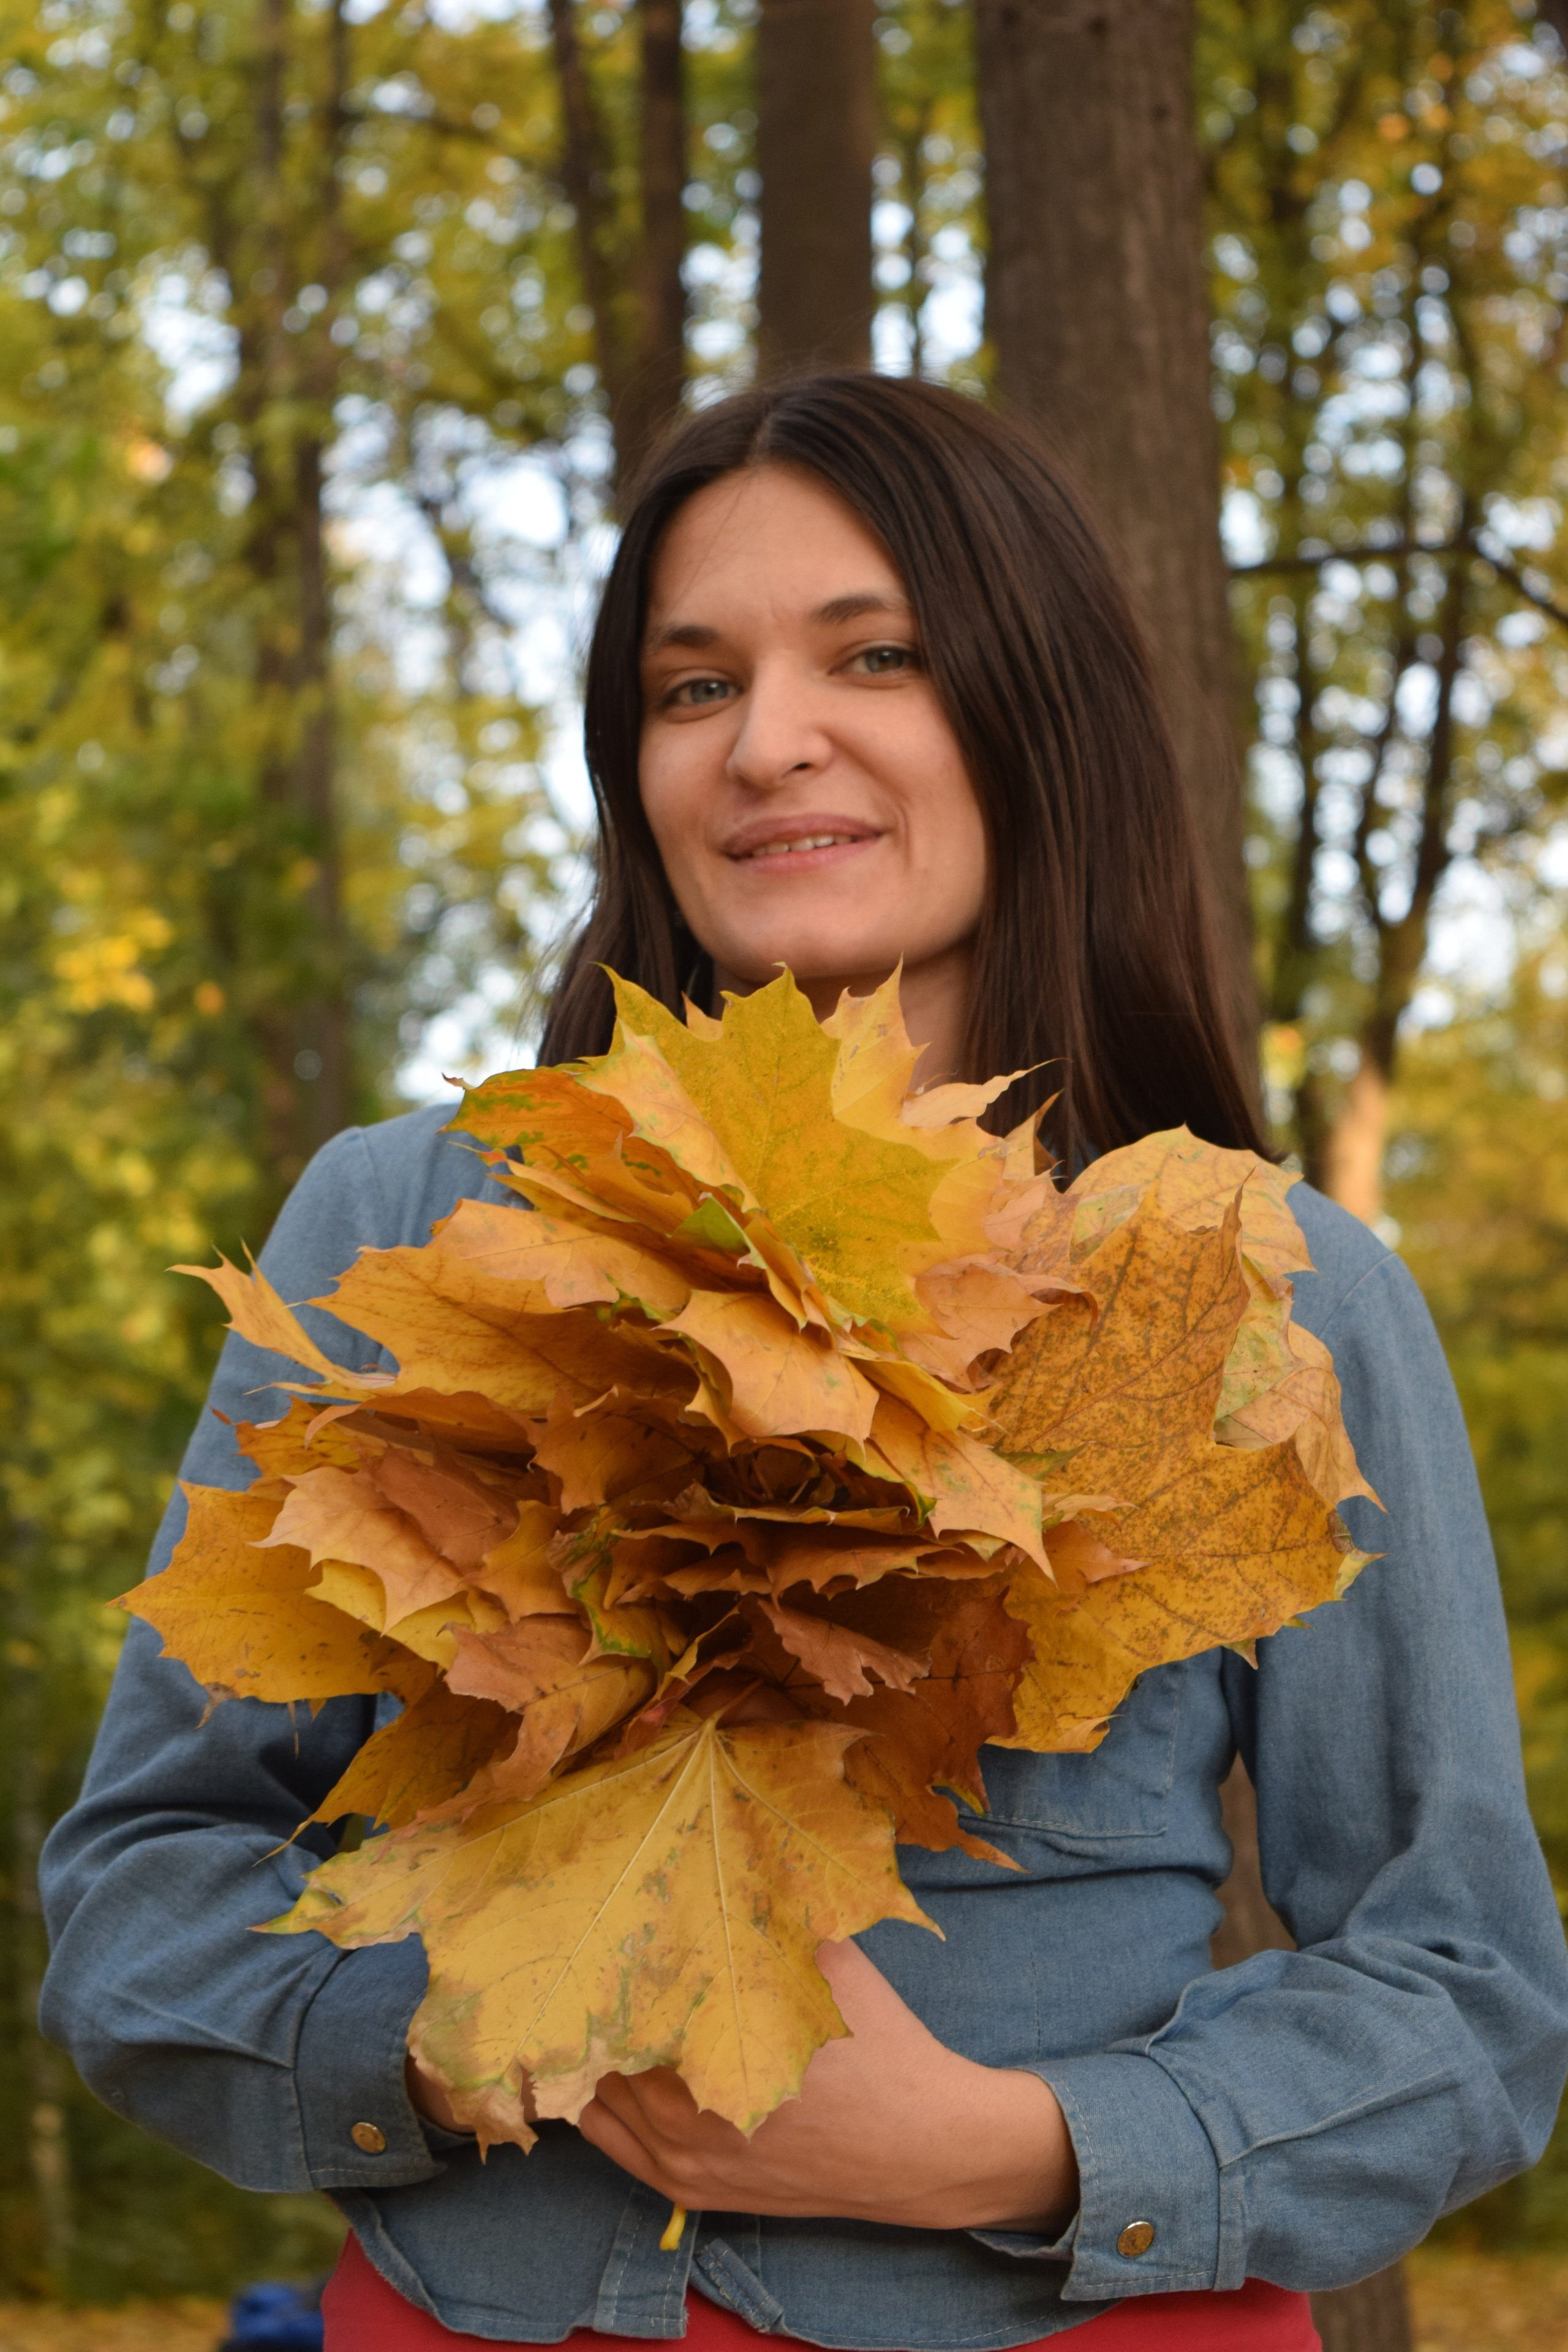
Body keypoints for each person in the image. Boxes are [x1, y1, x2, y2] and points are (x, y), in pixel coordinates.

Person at [39, 374, 1568, 2351]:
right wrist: (450, 2036)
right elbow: (143, 1887)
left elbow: (1468, 1991)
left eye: (880, 655)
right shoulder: (412, 1220)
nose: (768, 743)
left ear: (1036, 713)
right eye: (691, 687)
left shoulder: (1274, 1296)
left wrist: (1010, 2147)